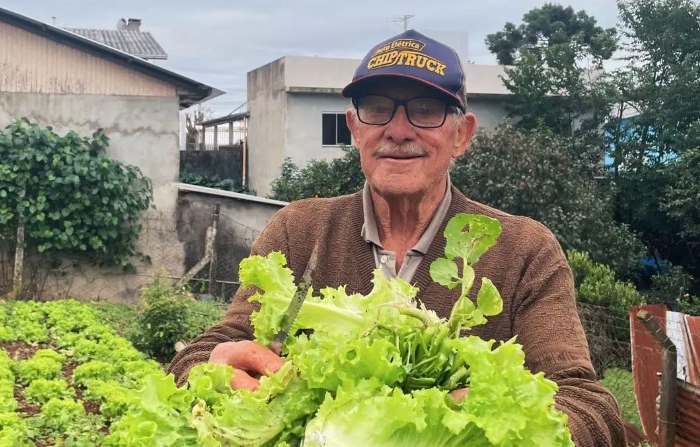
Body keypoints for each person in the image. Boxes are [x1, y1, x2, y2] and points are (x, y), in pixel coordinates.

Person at [169, 29, 627, 446]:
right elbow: (206, 352)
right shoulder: (298, 231)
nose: (399, 130)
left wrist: (484, 424)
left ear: (461, 135)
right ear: (355, 129)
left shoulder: (524, 250)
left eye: (425, 111)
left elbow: (590, 406)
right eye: (377, 108)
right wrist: (209, 369)